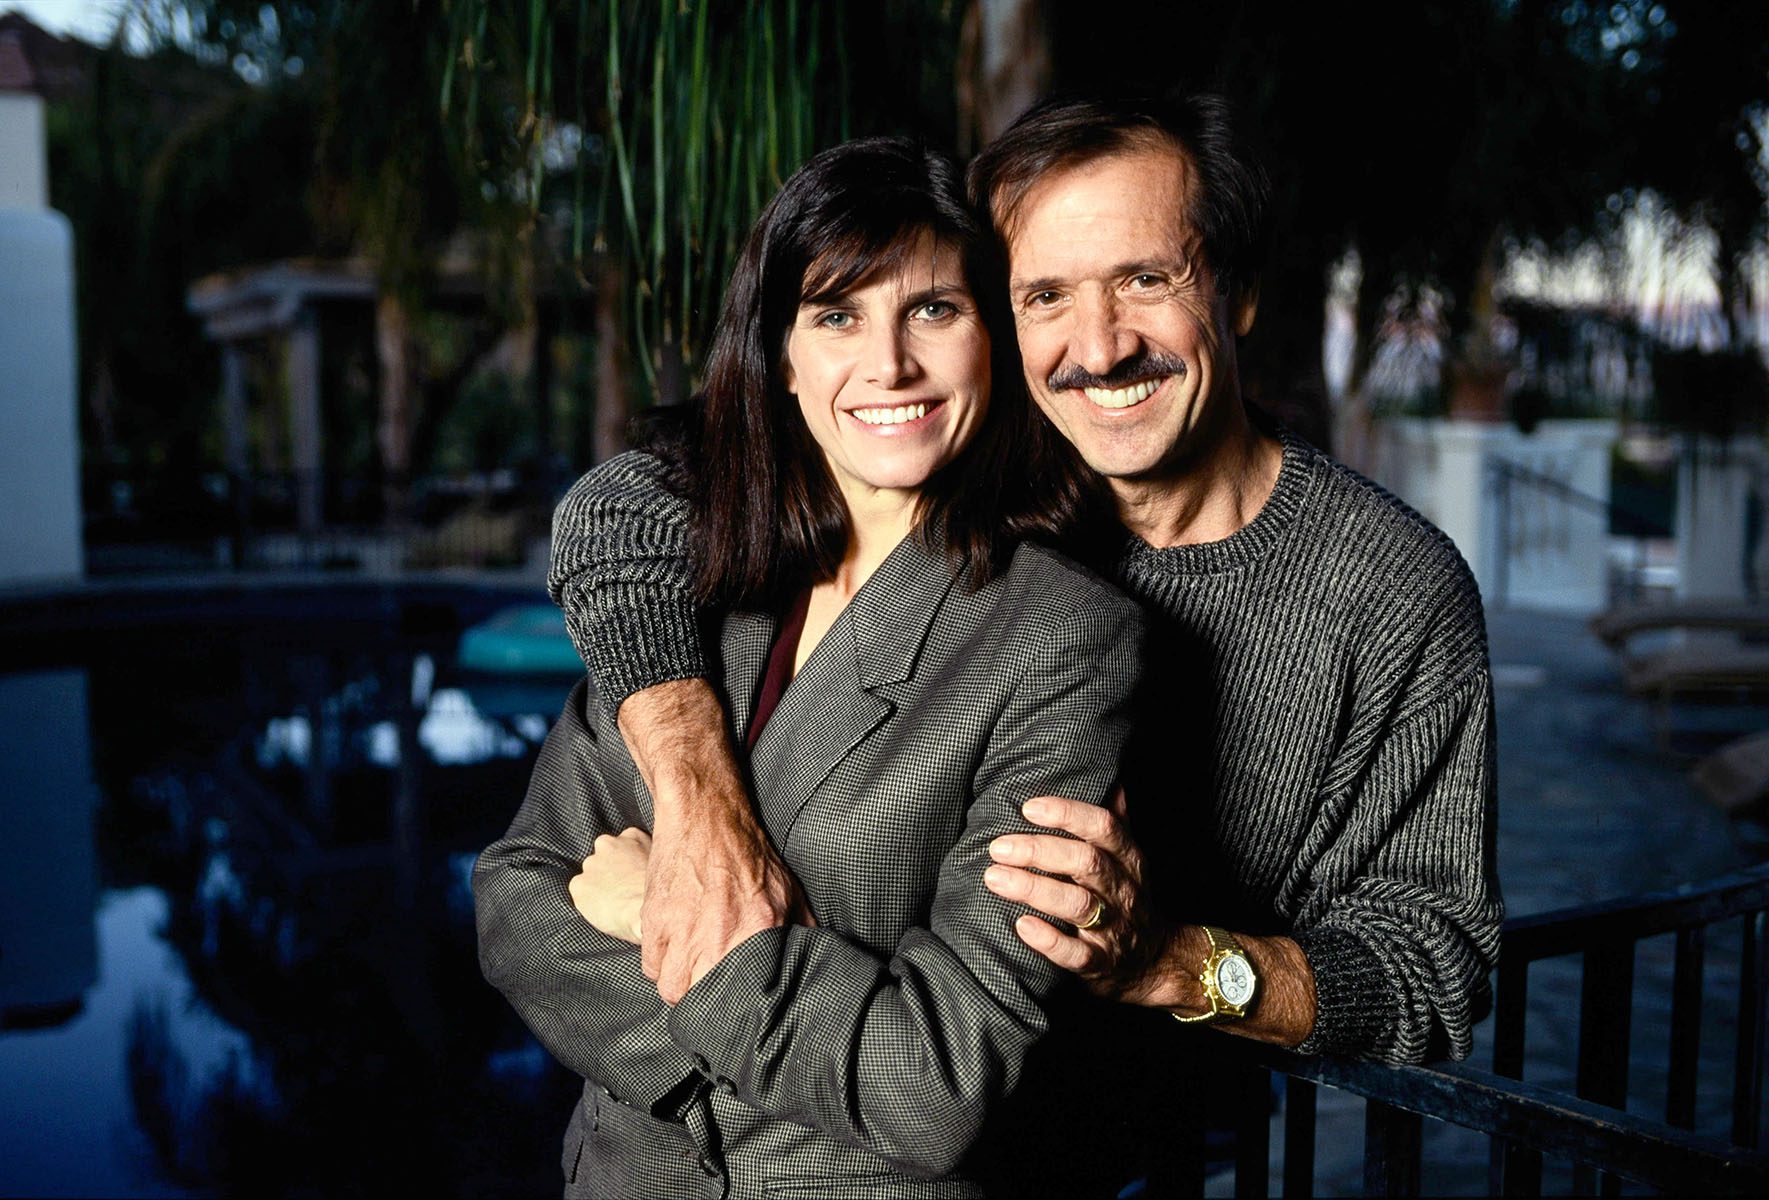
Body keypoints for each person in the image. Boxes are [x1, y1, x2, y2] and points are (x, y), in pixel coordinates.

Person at [547, 91, 1502, 1087]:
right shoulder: (951, 470)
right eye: (1044, 296)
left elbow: (1428, 973)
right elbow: (623, 506)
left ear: (1241, 294)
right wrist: (699, 799)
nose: (1098, 348)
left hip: (1136, 1150)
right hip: (845, 1097)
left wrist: (1173, 962)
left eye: (1146, 279)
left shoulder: (1393, 590)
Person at [473, 136, 1143, 1199]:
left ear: (995, 341)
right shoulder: (686, 579)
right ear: (783, 358)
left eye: (933, 310)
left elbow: (937, 1085)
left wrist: (669, 919)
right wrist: (794, 1037)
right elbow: (516, 899)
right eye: (838, 316)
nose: (888, 365)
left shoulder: (1058, 637)